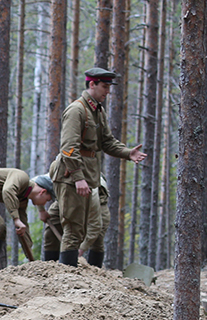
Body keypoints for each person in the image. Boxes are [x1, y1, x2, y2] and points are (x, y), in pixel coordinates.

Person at [48, 67, 147, 266]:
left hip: (86, 175)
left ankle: (68, 274)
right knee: (74, 228)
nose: (108, 91)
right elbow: (68, 148)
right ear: (91, 84)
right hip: (70, 176)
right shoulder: (77, 110)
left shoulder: (97, 110)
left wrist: (128, 153)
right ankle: (64, 276)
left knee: (83, 228)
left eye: (109, 86)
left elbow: (107, 142)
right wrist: (78, 177)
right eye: (104, 86)